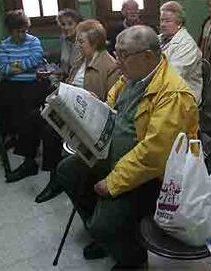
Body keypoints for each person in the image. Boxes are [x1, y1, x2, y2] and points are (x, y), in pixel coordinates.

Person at [38, 25, 198, 268]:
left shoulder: (173, 93)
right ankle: (108, 235)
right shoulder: (132, 76)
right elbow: (112, 106)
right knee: (66, 172)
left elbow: (154, 156)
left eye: (124, 55)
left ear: (148, 55)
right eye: (116, 52)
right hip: (113, 154)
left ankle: (132, 258)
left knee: (104, 224)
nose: (117, 60)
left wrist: (112, 183)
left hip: (152, 177)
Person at [7, 19, 120, 184]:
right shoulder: (81, 60)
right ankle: (29, 163)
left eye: (81, 41)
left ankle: (55, 178)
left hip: (86, 114)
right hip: (69, 105)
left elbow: (109, 103)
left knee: (50, 129)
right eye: (77, 40)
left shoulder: (110, 66)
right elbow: (69, 83)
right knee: (31, 117)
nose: (77, 44)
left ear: (94, 42)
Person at [0, 9, 48, 181]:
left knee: (26, 111)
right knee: (0, 100)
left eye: (25, 30)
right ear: (10, 31)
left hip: (32, 82)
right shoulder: (4, 45)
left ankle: (29, 161)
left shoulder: (34, 41)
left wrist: (15, 66)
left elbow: (37, 59)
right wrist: (25, 65)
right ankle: (8, 136)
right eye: (18, 31)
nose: (23, 34)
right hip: (13, 83)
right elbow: (3, 69)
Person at [159, 1, 203, 104]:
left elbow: (173, 76)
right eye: (161, 20)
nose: (163, 24)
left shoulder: (187, 45)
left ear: (179, 23)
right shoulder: (160, 39)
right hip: (165, 91)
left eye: (168, 21)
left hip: (182, 97)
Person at [56, 9, 83, 80]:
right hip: (67, 77)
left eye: (70, 24)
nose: (66, 28)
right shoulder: (63, 38)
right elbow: (64, 63)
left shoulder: (83, 41)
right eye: (63, 24)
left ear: (78, 25)